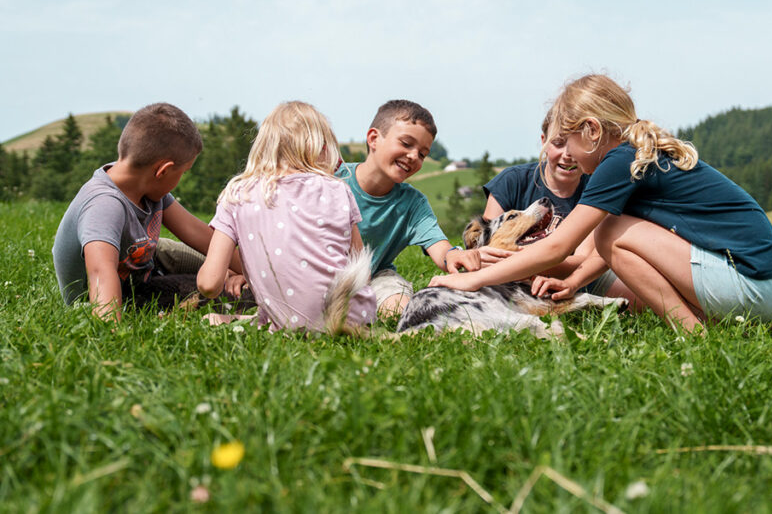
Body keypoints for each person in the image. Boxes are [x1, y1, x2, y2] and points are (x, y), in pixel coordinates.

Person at [430, 75, 772, 331]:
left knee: (610, 231)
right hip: (765, 286)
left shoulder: (618, 162)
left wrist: (472, 282)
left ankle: (692, 333)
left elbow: (560, 246)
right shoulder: (634, 156)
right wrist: (574, 283)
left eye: (566, 140)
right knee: (611, 230)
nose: (568, 155)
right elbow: (613, 249)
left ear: (590, 131)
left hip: (750, 286)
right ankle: (703, 326)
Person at [52, 103, 248, 321]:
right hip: (123, 296)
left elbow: (201, 236)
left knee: (215, 265)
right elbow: (101, 273)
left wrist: (254, 273)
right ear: (163, 170)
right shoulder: (103, 205)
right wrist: (110, 330)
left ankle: (256, 278)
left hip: (147, 264)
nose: (181, 179)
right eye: (182, 172)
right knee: (233, 295)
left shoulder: (144, 186)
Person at [197, 101, 376, 333]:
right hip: (352, 317)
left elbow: (209, 284)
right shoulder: (337, 189)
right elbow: (363, 271)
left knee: (214, 318)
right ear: (321, 148)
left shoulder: (237, 195)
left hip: (289, 324)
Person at [334, 99, 482, 316]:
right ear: (374, 138)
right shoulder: (332, 180)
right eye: (405, 143)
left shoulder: (413, 203)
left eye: (422, 154)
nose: (414, 156)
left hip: (376, 275)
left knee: (400, 308)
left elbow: (439, 246)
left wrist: (452, 255)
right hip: (325, 272)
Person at [481, 111, 642, 309]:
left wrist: (529, 264)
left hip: (584, 277)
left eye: (576, 145)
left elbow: (583, 259)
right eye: (558, 143)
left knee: (644, 302)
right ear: (543, 141)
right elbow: (486, 243)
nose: (568, 154)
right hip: (512, 278)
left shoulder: (598, 185)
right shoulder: (512, 181)